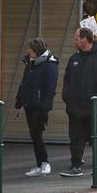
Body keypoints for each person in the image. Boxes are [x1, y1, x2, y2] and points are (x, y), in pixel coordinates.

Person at [60, 27, 97, 177]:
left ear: (84, 40)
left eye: (76, 39)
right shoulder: (74, 59)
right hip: (74, 107)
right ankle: (75, 165)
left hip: (93, 107)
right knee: (75, 137)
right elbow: (67, 80)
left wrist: (96, 99)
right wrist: (67, 96)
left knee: (96, 136)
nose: (74, 41)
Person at [14, 37, 59, 177]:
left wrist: (45, 107)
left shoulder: (50, 65)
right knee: (34, 135)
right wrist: (18, 104)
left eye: (31, 50)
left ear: (37, 51)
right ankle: (40, 164)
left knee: (37, 134)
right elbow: (24, 84)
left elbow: (50, 89)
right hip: (29, 103)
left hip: (40, 105)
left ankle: (44, 163)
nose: (28, 51)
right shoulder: (30, 63)